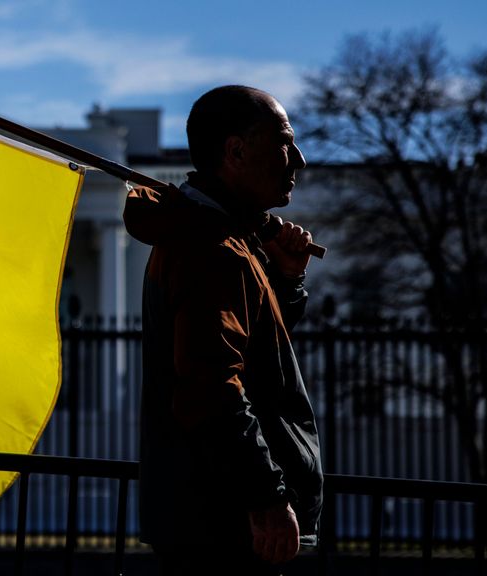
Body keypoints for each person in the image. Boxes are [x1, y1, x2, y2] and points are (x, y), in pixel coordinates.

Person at [123, 85, 323, 575]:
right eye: (283, 143)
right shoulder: (215, 250)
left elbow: (256, 355)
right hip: (226, 530)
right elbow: (213, 388)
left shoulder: (217, 241)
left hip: (207, 520)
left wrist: (286, 278)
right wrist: (268, 498)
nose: (297, 159)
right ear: (235, 151)